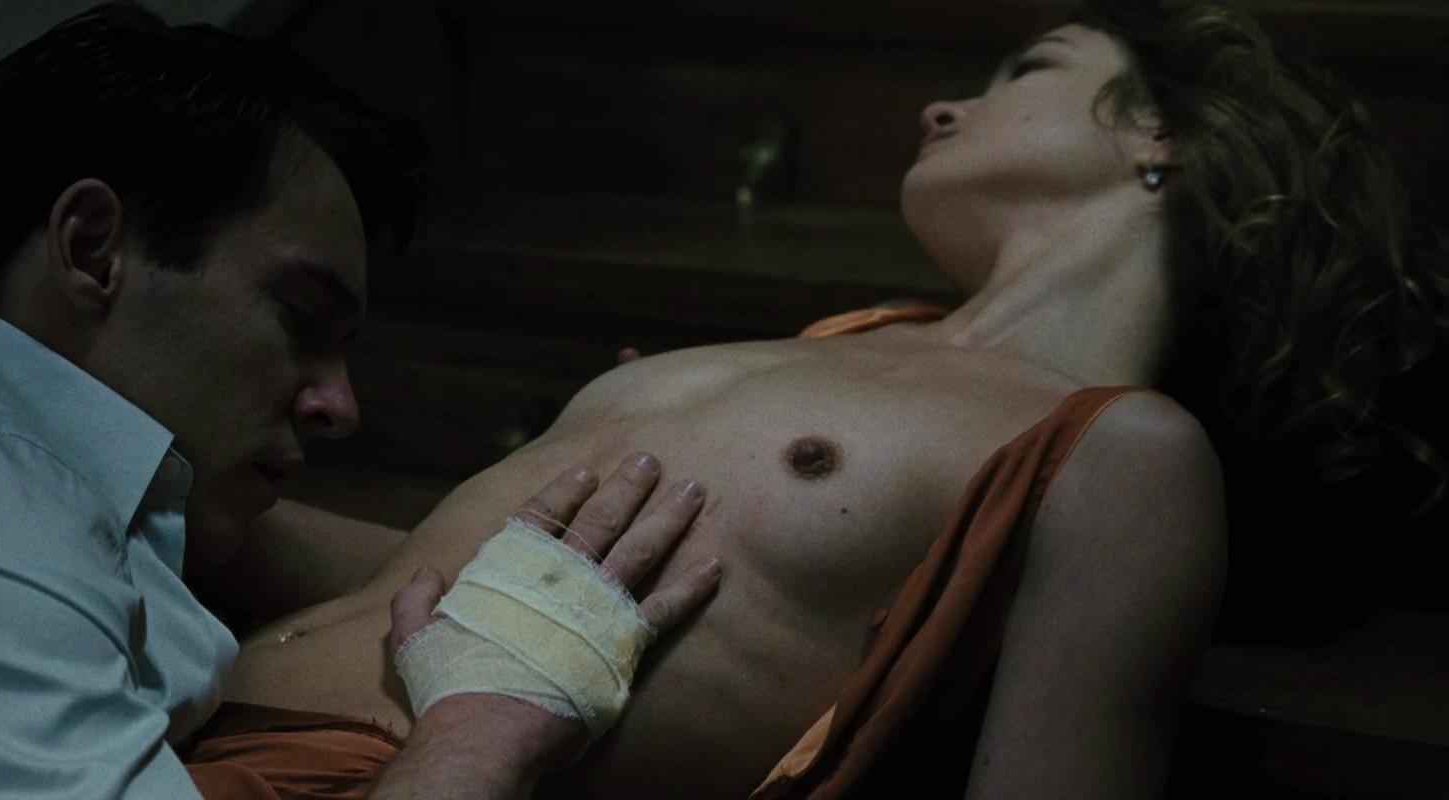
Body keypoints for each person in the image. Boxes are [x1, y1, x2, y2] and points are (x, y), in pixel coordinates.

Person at [198, 0, 1448, 797]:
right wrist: (171, 502)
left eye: (1028, 67)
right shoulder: (843, 344)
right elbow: (434, 577)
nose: (942, 104)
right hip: (162, 712)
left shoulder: (1123, 451)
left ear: (1164, 138)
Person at [0, 4, 722, 798]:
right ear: (95, 248)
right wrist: (480, 730)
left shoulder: (15, 447)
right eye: (300, 318)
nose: (338, 406)